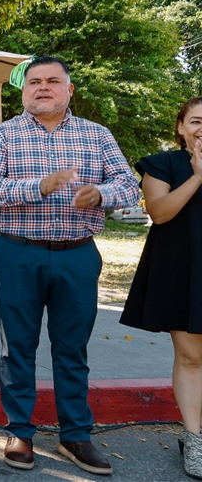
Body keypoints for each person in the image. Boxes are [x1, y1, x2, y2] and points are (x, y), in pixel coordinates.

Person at [0, 55, 139, 475]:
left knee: (72, 348)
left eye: (53, 81)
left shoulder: (97, 136)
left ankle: (75, 436)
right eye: (34, 82)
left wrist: (101, 196)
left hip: (78, 254)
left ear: (70, 90)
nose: (43, 87)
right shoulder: (1, 137)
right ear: (24, 90)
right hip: (17, 252)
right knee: (18, 346)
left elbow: (128, 184)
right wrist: (40, 186)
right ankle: (20, 432)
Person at [120, 96, 202, 479]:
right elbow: (160, 213)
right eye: (197, 121)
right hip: (183, 269)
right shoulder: (162, 164)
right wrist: (200, 175)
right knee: (192, 357)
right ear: (181, 127)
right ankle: (194, 438)